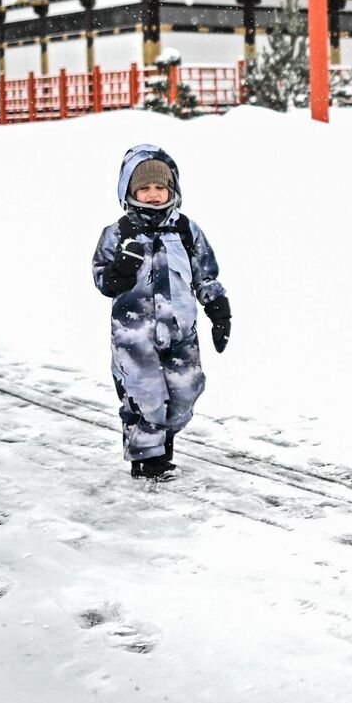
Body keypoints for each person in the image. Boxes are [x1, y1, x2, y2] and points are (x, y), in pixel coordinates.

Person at [90, 145, 232, 479]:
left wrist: (218, 309)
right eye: (144, 188)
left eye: (160, 187)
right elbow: (102, 279)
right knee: (144, 396)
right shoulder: (117, 234)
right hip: (134, 337)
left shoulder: (186, 230)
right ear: (129, 191)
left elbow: (205, 274)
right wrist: (119, 271)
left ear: (172, 190)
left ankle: (162, 439)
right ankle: (147, 460)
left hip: (181, 332)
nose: (153, 195)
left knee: (186, 391)